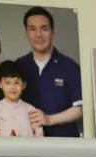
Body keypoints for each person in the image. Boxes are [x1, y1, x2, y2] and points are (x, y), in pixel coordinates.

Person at [15, 6, 83, 137]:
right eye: (32, 29)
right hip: (26, 144)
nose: (38, 35)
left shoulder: (70, 66)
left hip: (63, 144)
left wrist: (49, 119)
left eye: (44, 28)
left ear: (52, 32)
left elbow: (80, 109)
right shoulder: (19, 66)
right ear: (26, 33)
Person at [0, 61, 43, 137]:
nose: (12, 87)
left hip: (26, 148)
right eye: (7, 82)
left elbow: (39, 134)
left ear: (24, 85)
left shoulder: (30, 109)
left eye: (17, 82)